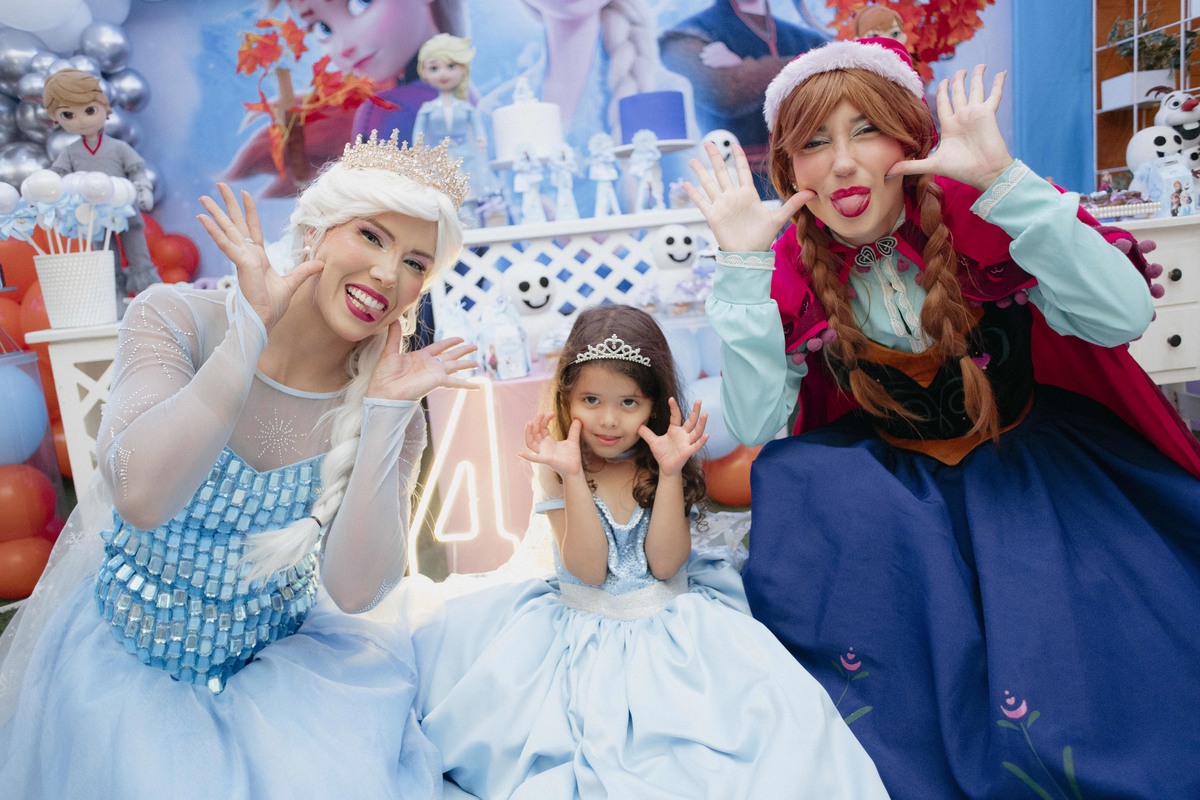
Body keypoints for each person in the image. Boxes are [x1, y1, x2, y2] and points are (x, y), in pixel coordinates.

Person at [688, 37, 1200, 799]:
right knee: (811, 502)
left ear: (909, 137)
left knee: (1083, 679)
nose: (842, 163)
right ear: (790, 168)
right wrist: (740, 269)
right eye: (815, 142)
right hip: (897, 493)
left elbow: (1122, 316)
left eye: (866, 130)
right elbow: (758, 421)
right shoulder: (790, 263)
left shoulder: (979, 214)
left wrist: (1004, 181)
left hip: (1031, 467)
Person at [0, 130, 478, 798]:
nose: (386, 273)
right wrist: (247, 334)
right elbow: (140, 497)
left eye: (414, 263)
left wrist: (384, 416)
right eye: (371, 236)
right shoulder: (175, 317)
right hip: (121, 677)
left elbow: (356, 592)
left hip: (281, 686)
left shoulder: (391, 402)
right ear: (314, 232)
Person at [411, 304, 890, 799]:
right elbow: (588, 570)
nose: (608, 419)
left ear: (654, 405)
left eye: (628, 402)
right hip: (584, 630)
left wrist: (670, 472)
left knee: (738, 743)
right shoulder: (558, 464)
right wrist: (571, 476)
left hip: (670, 624)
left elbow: (665, 564)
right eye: (591, 400)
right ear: (566, 397)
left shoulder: (663, 459)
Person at [223, 0, 468, 197]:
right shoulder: (455, 97)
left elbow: (373, 196)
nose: (344, 47)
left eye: (361, 3)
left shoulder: (388, 110)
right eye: (323, 28)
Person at [659, 0, 828, 195]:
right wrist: (808, 65)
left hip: (813, 180)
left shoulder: (810, 39)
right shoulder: (685, 37)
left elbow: (830, 89)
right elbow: (726, 93)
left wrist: (745, 66)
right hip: (740, 186)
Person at [43, 68, 159, 310]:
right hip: (93, 217)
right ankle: (114, 300)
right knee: (105, 258)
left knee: (138, 253)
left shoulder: (118, 148)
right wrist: (49, 195)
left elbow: (137, 170)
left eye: (89, 110)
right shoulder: (71, 153)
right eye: (68, 114)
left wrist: (143, 188)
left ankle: (150, 298)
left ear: (105, 108)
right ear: (56, 119)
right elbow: (57, 177)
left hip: (126, 211)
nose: (82, 120)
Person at [412, 33, 496, 224]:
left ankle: (473, 228)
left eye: (451, 66)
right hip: (441, 159)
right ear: (424, 72)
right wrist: (418, 150)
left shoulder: (465, 108)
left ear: (463, 69)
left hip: (466, 156)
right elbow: (419, 134)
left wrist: (481, 140)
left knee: (469, 193)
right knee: (446, 198)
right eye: (434, 68)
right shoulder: (427, 109)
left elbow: (477, 128)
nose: (443, 74)